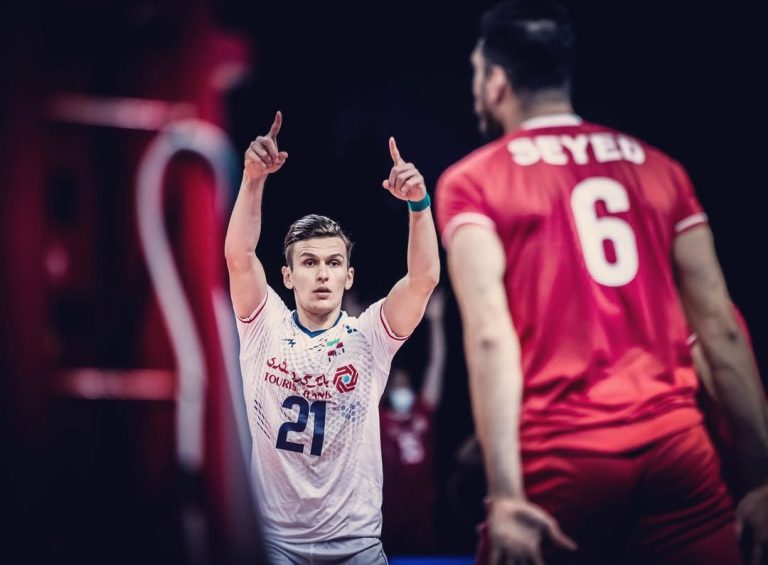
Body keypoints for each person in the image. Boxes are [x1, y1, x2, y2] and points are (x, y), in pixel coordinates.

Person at [436, 2, 768, 563]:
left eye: (476, 72)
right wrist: (761, 481)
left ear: (496, 82)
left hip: (562, 458)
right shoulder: (661, 169)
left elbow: (491, 336)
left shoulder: (473, 181)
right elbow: (721, 330)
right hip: (677, 456)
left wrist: (507, 495)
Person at [224, 111, 440, 563]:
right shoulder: (264, 325)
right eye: (309, 262)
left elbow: (423, 280)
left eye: (333, 263)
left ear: (349, 277)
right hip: (276, 545)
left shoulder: (369, 336)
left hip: (356, 545)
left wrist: (419, 205)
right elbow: (240, 256)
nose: (322, 273)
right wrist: (253, 178)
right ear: (287, 276)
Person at [379, 288, 446, 553]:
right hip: (386, 513)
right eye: (396, 385)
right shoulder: (378, 418)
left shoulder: (421, 411)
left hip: (421, 510)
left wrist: (436, 322)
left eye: (404, 384)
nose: (401, 389)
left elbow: (436, 365)